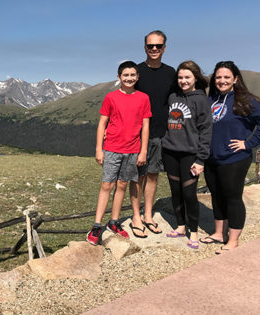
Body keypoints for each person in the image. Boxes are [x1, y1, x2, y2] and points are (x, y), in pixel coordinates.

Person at [201, 61, 260, 254]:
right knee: (216, 196)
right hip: (212, 157)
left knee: (232, 198)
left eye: (226, 77)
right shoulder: (212, 99)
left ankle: (233, 240)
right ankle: (218, 233)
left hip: (234, 158)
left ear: (235, 79)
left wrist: (248, 143)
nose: (222, 81)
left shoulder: (245, 99)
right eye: (218, 77)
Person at [86, 61, 151, 245]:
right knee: (107, 185)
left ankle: (113, 222)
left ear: (137, 77)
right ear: (119, 77)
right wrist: (99, 148)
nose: (129, 78)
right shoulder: (111, 97)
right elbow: (102, 123)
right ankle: (97, 225)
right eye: (125, 75)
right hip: (112, 148)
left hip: (133, 149)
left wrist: (143, 150)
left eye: (132, 75)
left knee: (122, 185)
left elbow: (145, 126)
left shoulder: (143, 98)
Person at [162, 61, 212, 249]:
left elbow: (206, 131)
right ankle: (181, 226)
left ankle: (194, 232)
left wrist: (201, 159)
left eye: (187, 77)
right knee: (175, 192)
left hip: (190, 155)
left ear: (195, 78)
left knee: (189, 194)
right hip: (170, 152)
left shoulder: (201, 100)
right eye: (180, 77)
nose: (183, 81)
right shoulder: (173, 96)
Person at [135, 30, 176, 235]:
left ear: (164, 48)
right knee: (137, 176)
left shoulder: (171, 73)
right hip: (136, 133)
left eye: (158, 46)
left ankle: (148, 214)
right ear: (144, 47)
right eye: (150, 46)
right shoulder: (136, 71)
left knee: (152, 175)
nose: (154, 49)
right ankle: (136, 216)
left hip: (160, 133)